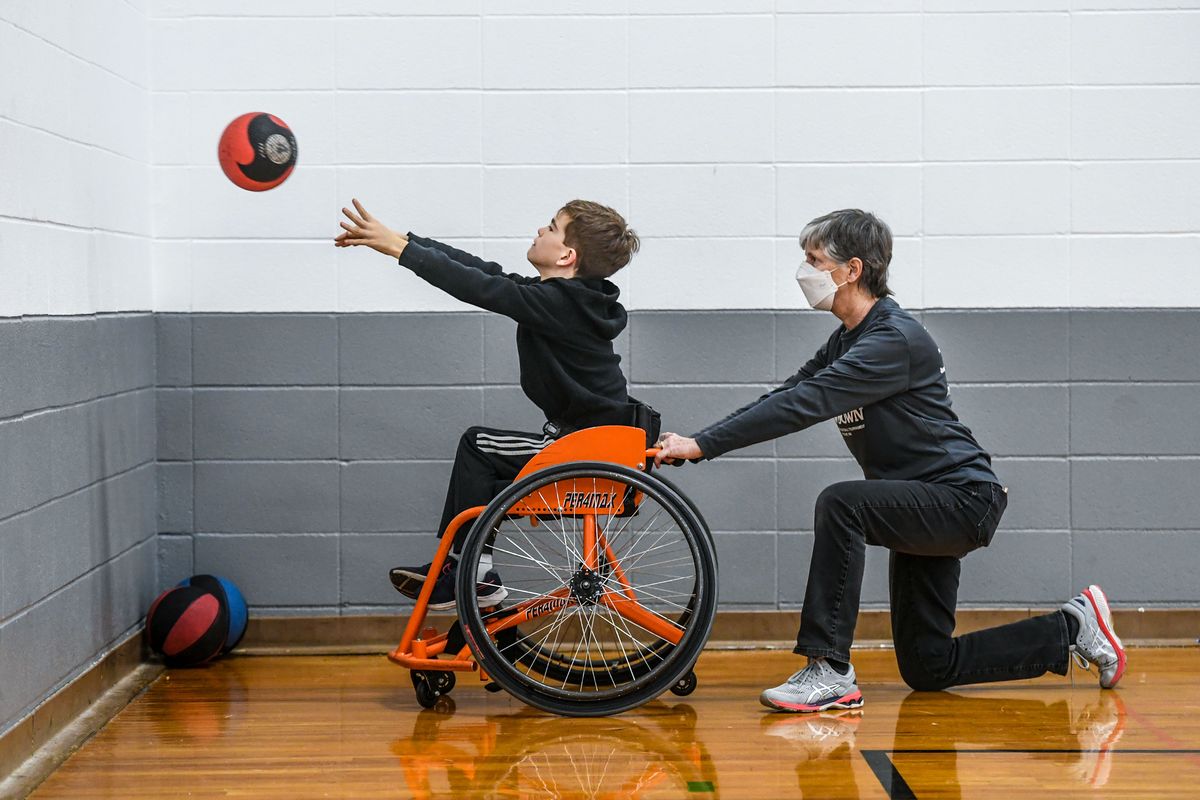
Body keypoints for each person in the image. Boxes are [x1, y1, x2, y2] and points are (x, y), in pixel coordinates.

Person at [654, 208, 1126, 712]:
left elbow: (801, 406)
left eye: (814, 260)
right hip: (921, 498)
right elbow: (790, 392)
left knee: (842, 503)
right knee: (929, 665)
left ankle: (828, 669)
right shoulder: (846, 340)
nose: (804, 271)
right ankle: (1073, 627)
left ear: (852, 269)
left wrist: (703, 446)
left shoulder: (892, 339)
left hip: (960, 498)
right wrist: (700, 439)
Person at [335, 198, 643, 610]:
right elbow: (487, 273)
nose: (541, 230)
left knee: (478, 446)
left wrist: (398, 249)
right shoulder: (564, 300)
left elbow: (481, 288)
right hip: (596, 445)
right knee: (487, 481)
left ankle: (471, 571)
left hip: (586, 449)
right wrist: (406, 239)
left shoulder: (559, 304)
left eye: (552, 227)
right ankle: (469, 570)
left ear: (567, 256)